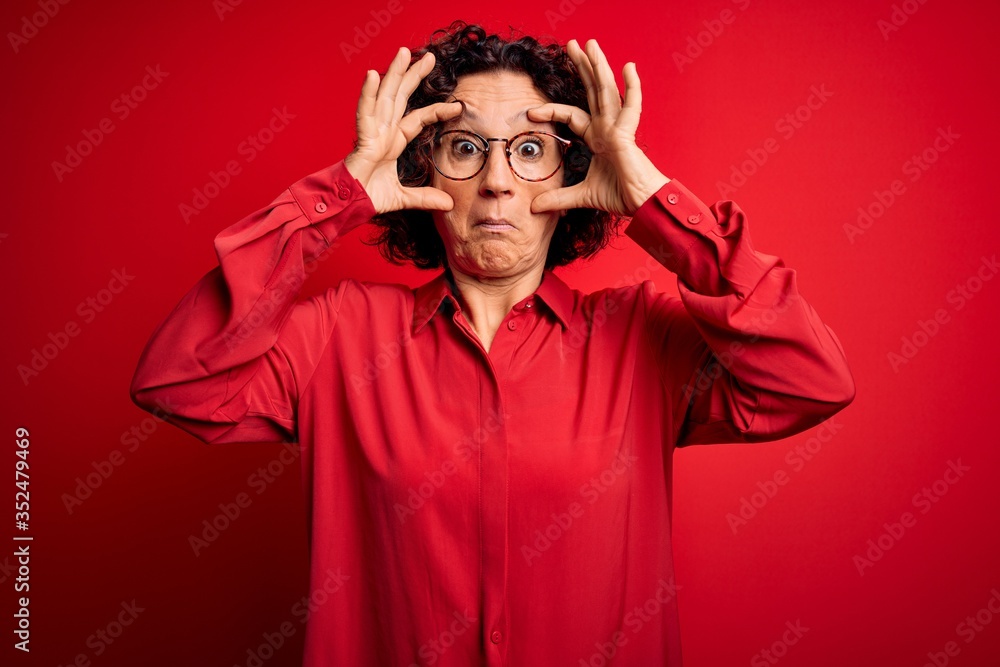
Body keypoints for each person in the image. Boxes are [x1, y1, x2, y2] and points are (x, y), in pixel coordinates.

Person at [131, 21, 854, 666]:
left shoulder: (640, 339)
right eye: (466, 147)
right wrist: (339, 195)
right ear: (423, 170)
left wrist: (654, 200)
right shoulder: (340, 336)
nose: (498, 181)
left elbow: (810, 379)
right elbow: (178, 383)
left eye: (531, 149)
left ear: (573, 174)